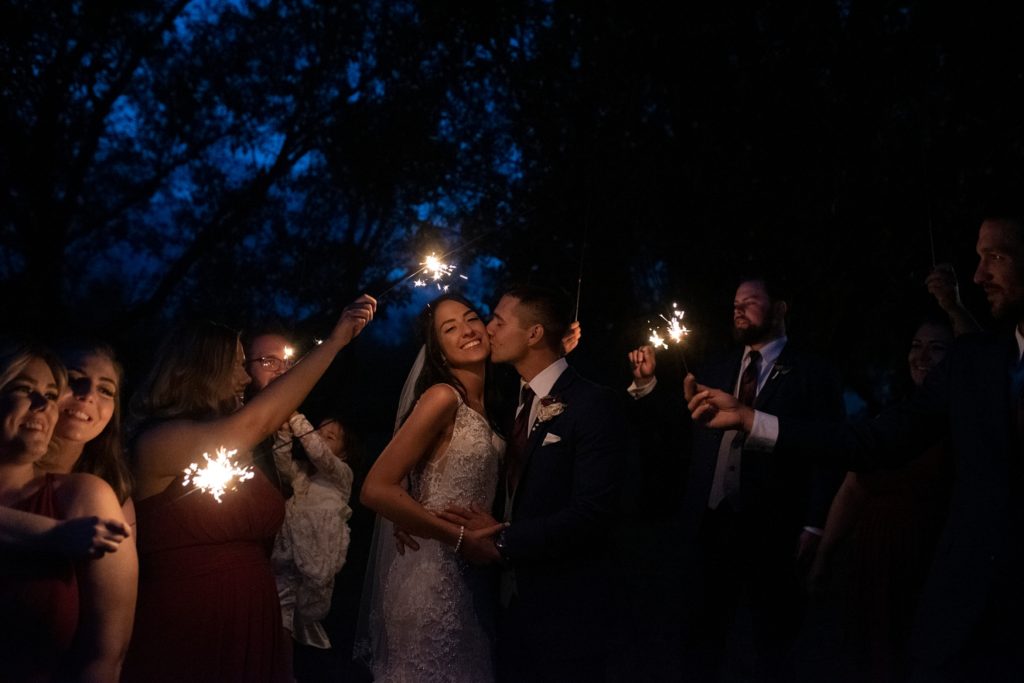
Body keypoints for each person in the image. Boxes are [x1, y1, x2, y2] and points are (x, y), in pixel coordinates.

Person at [685, 209, 1024, 681]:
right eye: (978, 257)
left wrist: (813, 526)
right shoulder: (979, 363)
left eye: (998, 256)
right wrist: (751, 419)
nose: (978, 274)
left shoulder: (814, 369)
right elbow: (870, 439)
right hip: (971, 611)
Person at [122, 295, 375, 683]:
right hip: (191, 624)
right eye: (238, 366)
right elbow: (255, 423)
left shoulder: (244, 448)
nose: (244, 378)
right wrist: (335, 342)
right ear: (202, 371)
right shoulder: (159, 441)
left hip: (256, 617)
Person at [444, 284, 626, 683]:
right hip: (505, 606)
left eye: (498, 320)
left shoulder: (594, 404)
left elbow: (593, 513)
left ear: (533, 334)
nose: (487, 329)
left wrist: (501, 544)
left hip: (565, 608)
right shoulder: (512, 401)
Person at [673, 275, 844, 682]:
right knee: (702, 633)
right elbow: (680, 429)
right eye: (735, 302)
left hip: (774, 524)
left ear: (780, 308)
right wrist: (646, 386)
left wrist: (815, 521)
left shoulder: (812, 371)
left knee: (771, 637)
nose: (738, 308)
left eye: (751, 300)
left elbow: (829, 448)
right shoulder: (717, 365)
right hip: (711, 522)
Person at [359, 293, 507, 682]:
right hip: (428, 578)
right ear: (437, 351)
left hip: (469, 578)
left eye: (471, 318)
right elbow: (375, 488)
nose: (467, 331)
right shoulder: (443, 397)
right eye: (450, 328)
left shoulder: (489, 406)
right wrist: (458, 538)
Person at [809, 316, 956, 682]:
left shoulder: (964, 424)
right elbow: (853, 486)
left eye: (936, 348)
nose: (921, 356)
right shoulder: (893, 414)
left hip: (926, 570)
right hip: (871, 565)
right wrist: (823, 557)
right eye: (915, 345)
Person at [0, 341, 138, 682]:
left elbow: (105, 653)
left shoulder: (95, 495)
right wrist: (52, 535)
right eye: (74, 381)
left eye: (106, 390)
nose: (88, 395)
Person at [271, 413, 355, 650]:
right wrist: (285, 432)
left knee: (308, 609)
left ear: (344, 453)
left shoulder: (342, 475)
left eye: (329, 436)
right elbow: (282, 464)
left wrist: (296, 418)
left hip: (317, 556)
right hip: (289, 550)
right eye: (319, 431)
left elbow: (320, 454)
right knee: (280, 613)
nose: (319, 437)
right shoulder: (303, 472)